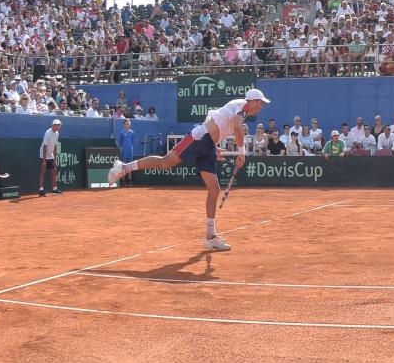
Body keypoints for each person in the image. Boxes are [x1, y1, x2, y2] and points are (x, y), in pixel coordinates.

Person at [110, 87, 272, 252]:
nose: (262, 107)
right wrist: (241, 151)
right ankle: (123, 167)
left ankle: (210, 237)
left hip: (208, 145)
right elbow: (236, 126)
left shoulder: (239, 110)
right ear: (252, 101)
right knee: (166, 162)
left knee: (214, 189)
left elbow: (216, 123)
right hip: (198, 138)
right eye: (260, 103)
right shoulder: (242, 105)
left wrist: (214, 148)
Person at [38, 117, 62, 197]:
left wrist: (54, 158)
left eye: (59, 125)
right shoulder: (48, 133)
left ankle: (54, 189)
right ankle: (41, 190)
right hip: (43, 155)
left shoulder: (57, 133)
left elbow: (55, 146)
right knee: (42, 171)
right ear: (53, 125)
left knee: (54, 170)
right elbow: (45, 147)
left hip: (50, 155)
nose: (59, 127)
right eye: (58, 125)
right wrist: (44, 160)